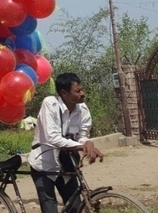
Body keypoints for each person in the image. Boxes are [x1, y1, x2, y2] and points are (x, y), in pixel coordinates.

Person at [28, 72, 104, 213]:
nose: (83, 93)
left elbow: (83, 135)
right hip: (45, 164)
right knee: (50, 208)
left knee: (74, 208)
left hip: (67, 165)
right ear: (64, 93)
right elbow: (53, 138)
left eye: (82, 89)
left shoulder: (82, 109)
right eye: (78, 91)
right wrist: (82, 146)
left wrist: (88, 143)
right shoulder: (50, 104)